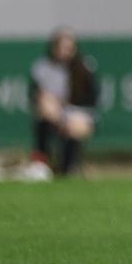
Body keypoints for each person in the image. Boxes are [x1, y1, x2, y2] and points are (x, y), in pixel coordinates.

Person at [26, 26, 99, 181]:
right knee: (46, 112)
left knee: (73, 127)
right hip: (54, 115)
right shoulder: (43, 68)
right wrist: (55, 110)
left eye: (70, 47)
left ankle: (66, 169)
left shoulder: (84, 67)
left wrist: (68, 111)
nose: (66, 51)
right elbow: (35, 96)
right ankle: (41, 164)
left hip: (77, 115)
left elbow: (91, 100)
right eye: (62, 47)